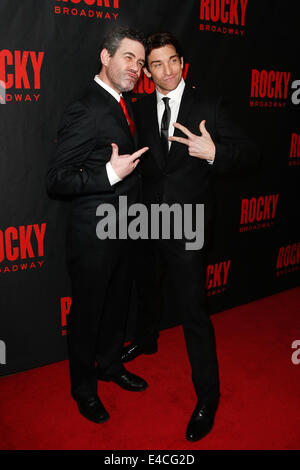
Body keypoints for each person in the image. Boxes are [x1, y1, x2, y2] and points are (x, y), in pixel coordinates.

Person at [121, 32, 260, 441]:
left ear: (183, 62)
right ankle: (146, 340)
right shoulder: (141, 107)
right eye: (158, 64)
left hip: (188, 227)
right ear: (147, 70)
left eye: (173, 61)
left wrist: (214, 153)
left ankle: (207, 397)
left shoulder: (208, 105)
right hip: (147, 222)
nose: (167, 71)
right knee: (147, 287)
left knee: (193, 312)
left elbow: (252, 153)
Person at [46, 27, 149, 424]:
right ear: (105, 57)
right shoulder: (85, 108)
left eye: (140, 62)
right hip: (93, 236)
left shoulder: (123, 104)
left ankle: (110, 365)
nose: (136, 68)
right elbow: (56, 179)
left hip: (126, 228)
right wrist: (107, 175)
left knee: (116, 305)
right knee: (88, 313)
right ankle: (83, 388)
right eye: (129, 58)